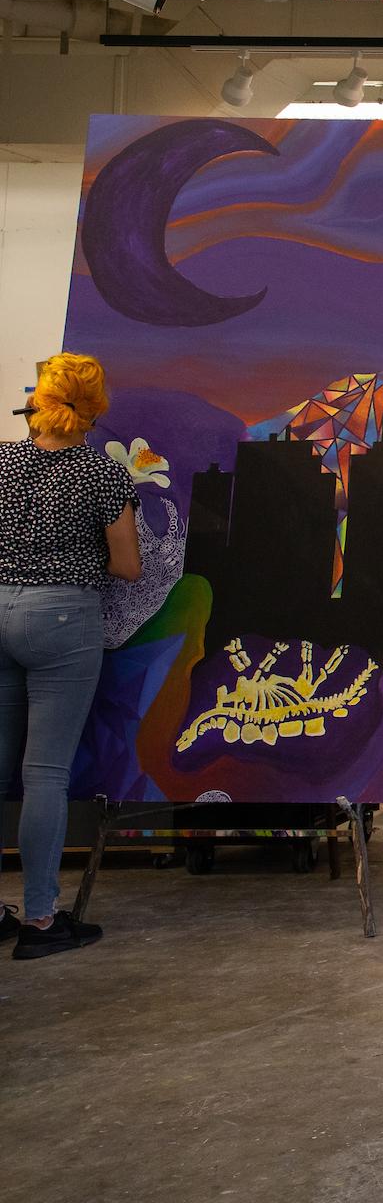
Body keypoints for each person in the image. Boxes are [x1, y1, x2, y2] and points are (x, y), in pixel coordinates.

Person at [1, 352, 140, 961]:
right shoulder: (100, 475)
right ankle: (38, 921)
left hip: (0, 609)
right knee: (45, 774)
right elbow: (128, 565)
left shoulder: (3, 462)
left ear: (39, 402)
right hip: (62, 620)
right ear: (91, 410)